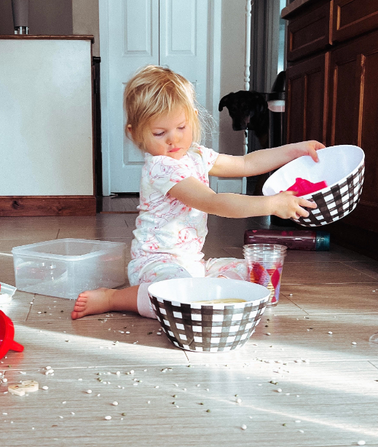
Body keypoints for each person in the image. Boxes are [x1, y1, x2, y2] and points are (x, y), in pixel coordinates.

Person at [71, 65, 324, 320]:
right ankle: (113, 298)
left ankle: (200, 291)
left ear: (191, 117)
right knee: (177, 297)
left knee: (253, 273)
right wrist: (270, 205)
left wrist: (295, 150)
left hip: (193, 265)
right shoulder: (161, 167)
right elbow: (211, 202)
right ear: (135, 132)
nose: (173, 140)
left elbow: (246, 164)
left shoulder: (198, 155)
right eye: (160, 133)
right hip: (156, 265)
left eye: (181, 127)